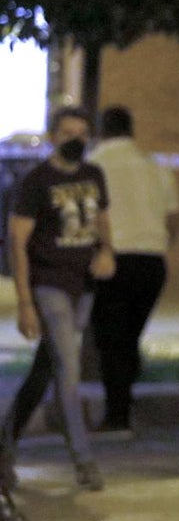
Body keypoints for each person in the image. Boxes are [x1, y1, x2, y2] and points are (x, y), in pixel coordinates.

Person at [0, 107, 116, 492]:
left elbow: (102, 220)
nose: (76, 140)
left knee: (44, 372)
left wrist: (106, 251)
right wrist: (25, 302)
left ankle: (3, 450)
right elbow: (17, 241)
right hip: (49, 285)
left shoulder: (94, 174)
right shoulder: (37, 181)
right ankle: (83, 460)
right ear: (53, 136)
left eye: (83, 133)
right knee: (69, 371)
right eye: (68, 132)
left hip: (83, 286)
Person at [87, 106, 179, 435]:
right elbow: (174, 219)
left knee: (111, 340)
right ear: (131, 130)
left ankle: (117, 415)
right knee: (129, 337)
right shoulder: (155, 167)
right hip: (152, 263)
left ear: (102, 130)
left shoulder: (93, 166)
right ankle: (124, 406)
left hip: (113, 260)